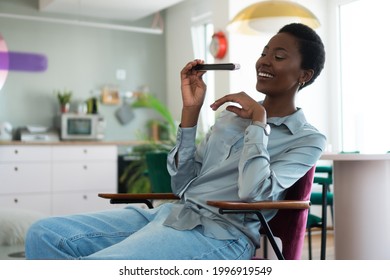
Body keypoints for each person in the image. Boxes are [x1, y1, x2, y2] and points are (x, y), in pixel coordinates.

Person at [25, 23, 326, 260]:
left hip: (222, 235)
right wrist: (190, 112)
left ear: (305, 74)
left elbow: (252, 194)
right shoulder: (230, 118)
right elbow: (181, 185)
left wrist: (259, 123)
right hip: (172, 215)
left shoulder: (307, 139)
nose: (265, 61)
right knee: (43, 234)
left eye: (279, 56)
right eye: (264, 52)